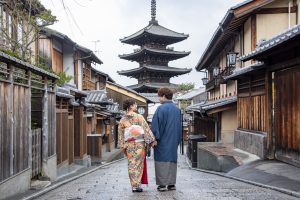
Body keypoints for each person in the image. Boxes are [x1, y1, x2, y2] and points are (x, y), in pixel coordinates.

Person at [118, 98, 156, 192]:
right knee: (138, 164)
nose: (136, 106)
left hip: (129, 145)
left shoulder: (123, 119)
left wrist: (123, 145)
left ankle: (133, 186)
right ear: (131, 106)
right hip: (139, 145)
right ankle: (137, 185)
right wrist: (152, 140)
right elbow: (146, 129)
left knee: (131, 164)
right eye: (135, 105)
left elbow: (120, 134)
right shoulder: (139, 117)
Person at [151, 87, 182, 192]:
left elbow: (156, 126)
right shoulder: (177, 110)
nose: (159, 99)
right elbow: (180, 127)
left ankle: (162, 185)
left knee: (161, 161)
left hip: (162, 140)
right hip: (174, 140)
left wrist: (154, 138)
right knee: (172, 160)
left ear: (163, 96)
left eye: (159, 96)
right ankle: (171, 184)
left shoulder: (161, 109)